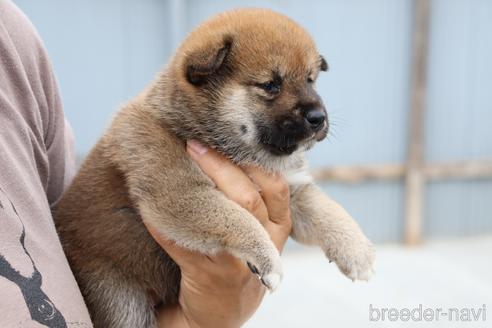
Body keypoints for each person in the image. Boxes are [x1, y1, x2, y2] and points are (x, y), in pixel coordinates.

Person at [0, 1, 292, 327]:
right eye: (269, 86)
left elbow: (60, 235)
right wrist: (251, 244)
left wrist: (204, 318)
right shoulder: (150, 129)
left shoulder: (11, 42)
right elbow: (169, 204)